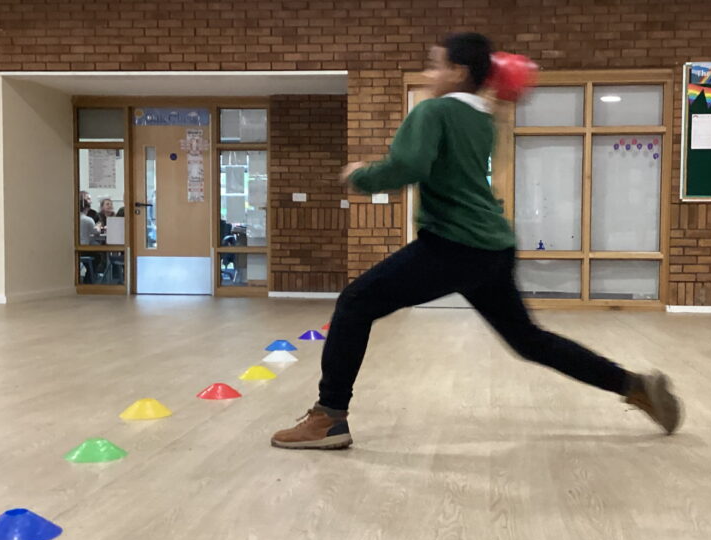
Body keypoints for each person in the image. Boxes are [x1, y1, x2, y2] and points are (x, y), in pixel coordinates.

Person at [271, 33, 682, 450]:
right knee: (528, 340)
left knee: (355, 303)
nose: (430, 74)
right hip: (493, 247)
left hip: (454, 244)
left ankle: (329, 417)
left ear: (458, 71)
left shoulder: (434, 111)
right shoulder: (483, 118)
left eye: (435, 64)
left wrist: (360, 175)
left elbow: (408, 164)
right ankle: (634, 386)